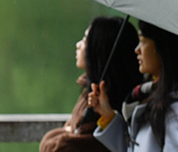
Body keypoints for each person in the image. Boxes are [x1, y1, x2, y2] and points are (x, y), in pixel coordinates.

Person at [87, 21, 178, 152]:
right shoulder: (157, 97)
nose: (137, 50)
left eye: (142, 41)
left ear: (163, 49)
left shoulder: (177, 114)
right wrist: (108, 116)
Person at [39, 16, 141, 152]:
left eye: (86, 40)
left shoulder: (108, 101)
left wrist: (64, 135)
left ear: (98, 51)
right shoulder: (90, 90)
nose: (78, 45)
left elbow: (65, 146)